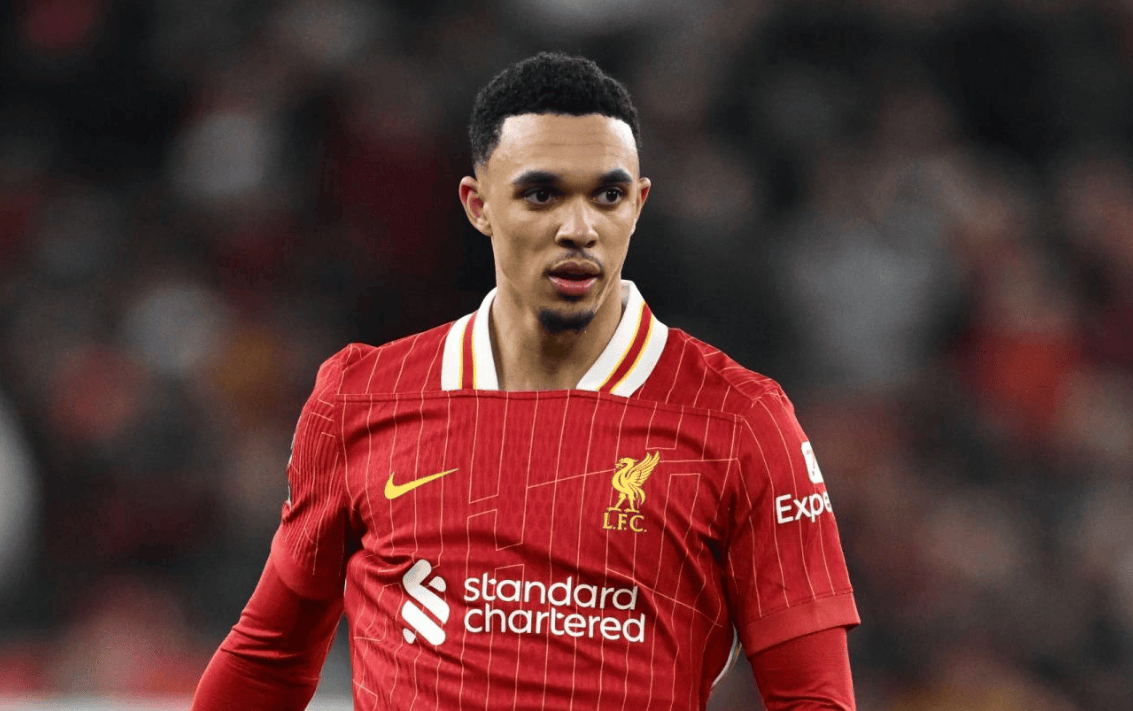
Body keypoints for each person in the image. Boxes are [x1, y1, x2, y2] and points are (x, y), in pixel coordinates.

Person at [191, 51, 859, 711]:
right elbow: (268, 659)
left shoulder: (740, 419)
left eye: (608, 195)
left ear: (639, 204)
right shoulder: (360, 396)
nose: (579, 228)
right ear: (478, 205)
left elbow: (814, 699)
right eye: (542, 194)